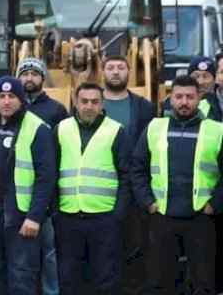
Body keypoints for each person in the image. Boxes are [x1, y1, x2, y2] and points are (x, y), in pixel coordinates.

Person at [131, 75, 223, 295]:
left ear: (200, 98)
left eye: (190, 97)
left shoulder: (217, 130)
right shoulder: (154, 127)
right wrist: (148, 203)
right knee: (161, 281)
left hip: (201, 218)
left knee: (203, 282)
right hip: (162, 216)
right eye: (179, 96)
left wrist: (214, 204)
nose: (184, 102)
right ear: (170, 98)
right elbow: (137, 168)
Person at [0, 77, 58, 295]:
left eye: (12, 96)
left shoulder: (37, 128)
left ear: (21, 100)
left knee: (21, 278)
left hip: (20, 217)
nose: (6, 102)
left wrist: (35, 217)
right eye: (1, 96)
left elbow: (46, 177)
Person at [54, 82, 131, 295]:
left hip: (104, 218)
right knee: (69, 279)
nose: (89, 106)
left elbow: (127, 176)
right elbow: (51, 173)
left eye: (94, 102)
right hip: (68, 216)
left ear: (102, 103)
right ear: (75, 102)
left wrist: (118, 214)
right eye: (84, 101)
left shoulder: (116, 131)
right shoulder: (61, 129)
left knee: (105, 279)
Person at [97, 55, 155, 295]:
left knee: (135, 244)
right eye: (110, 68)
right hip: (99, 189)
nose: (116, 72)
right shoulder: (91, 103)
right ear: (103, 72)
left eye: (121, 67)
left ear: (129, 71)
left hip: (134, 188)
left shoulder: (144, 107)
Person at [15, 57, 63, 295]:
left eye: (34, 74)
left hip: (46, 193)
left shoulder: (55, 110)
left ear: (43, 78)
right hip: (16, 195)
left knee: (49, 252)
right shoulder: (11, 107)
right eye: (25, 74)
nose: (29, 78)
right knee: (20, 257)